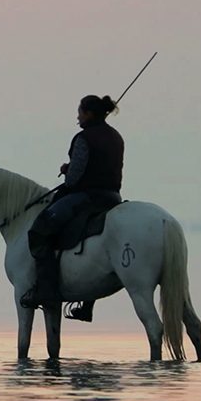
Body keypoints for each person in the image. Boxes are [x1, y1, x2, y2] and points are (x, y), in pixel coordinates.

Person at [20, 94, 124, 315]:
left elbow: (74, 179)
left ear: (88, 113)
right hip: (113, 198)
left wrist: (67, 172)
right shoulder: (116, 137)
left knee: (40, 230)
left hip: (87, 197)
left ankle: (44, 291)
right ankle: (87, 303)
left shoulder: (83, 138)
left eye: (79, 112)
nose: (77, 117)